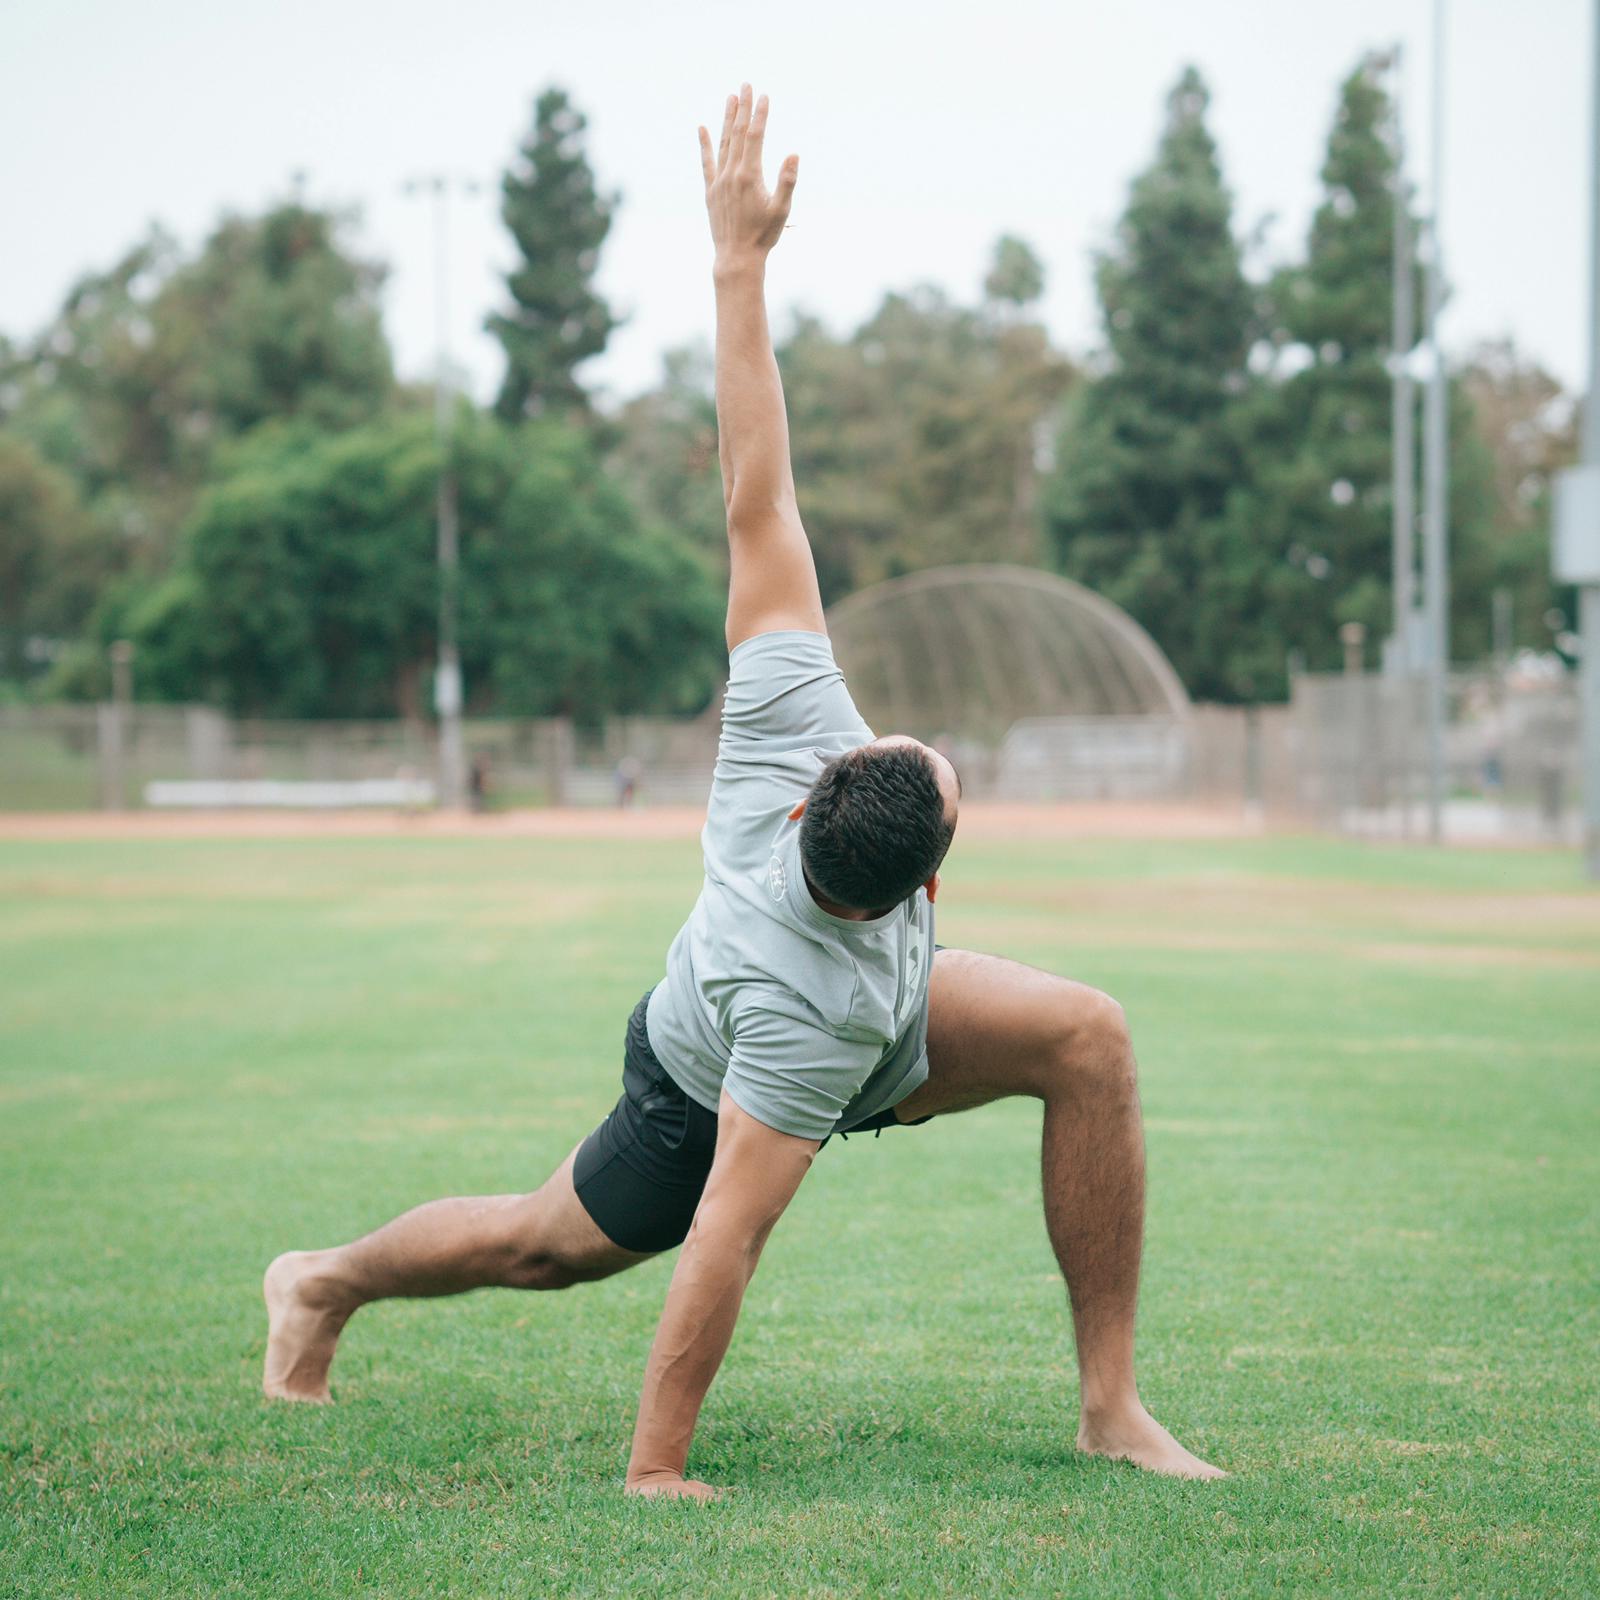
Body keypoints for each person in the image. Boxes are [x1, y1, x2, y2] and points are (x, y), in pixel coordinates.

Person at [261, 85, 1225, 1499]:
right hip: (711, 1069)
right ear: (916, 873)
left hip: (877, 1019)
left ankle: (1111, 1407)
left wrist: (738, 265)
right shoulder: (801, 1010)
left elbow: (758, 495)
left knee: (1089, 1036)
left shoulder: (794, 719)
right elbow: (728, 1232)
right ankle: (325, 1281)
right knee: (546, 1244)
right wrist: (658, 1469)